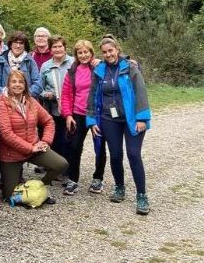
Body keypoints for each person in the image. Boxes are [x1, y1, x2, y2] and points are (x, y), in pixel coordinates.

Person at [87, 35, 151, 215]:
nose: (108, 55)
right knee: (115, 155)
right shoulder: (99, 71)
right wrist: (92, 121)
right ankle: (119, 187)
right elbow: (92, 97)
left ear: (117, 50)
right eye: (105, 52)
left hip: (131, 119)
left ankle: (141, 195)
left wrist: (142, 118)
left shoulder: (130, 68)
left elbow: (141, 93)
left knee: (133, 154)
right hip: (109, 119)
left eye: (111, 51)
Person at [0, 70, 68, 203]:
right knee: (9, 196)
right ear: (8, 84)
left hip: (34, 148)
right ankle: (18, 185)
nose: (17, 85)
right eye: (14, 81)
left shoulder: (31, 101)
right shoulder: (2, 104)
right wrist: (30, 148)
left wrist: (45, 141)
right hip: (12, 154)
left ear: (25, 85)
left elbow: (49, 121)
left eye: (21, 82)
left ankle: (37, 187)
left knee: (61, 164)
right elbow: (6, 134)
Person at [60, 39, 107, 196]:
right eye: (80, 52)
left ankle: (98, 178)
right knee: (74, 147)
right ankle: (73, 180)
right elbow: (66, 95)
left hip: (97, 114)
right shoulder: (72, 71)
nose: (83, 55)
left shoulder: (99, 68)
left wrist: (100, 64)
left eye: (86, 52)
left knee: (99, 147)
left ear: (92, 53)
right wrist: (67, 115)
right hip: (77, 114)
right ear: (76, 55)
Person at [39, 35, 73, 161]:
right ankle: (58, 167)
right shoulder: (45, 66)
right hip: (54, 108)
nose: (58, 49)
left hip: (71, 108)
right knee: (57, 139)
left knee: (70, 139)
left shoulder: (73, 62)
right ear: (50, 49)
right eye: (54, 47)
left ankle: (69, 168)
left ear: (65, 48)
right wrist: (45, 94)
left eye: (60, 46)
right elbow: (39, 88)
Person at [0, 32, 43, 101]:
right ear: (10, 44)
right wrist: (7, 95)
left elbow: (38, 84)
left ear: (25, 46)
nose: (18, 46)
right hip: (5, 101)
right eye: (15, 42)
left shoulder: (30, 61)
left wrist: (24, 96)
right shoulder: (1, 60)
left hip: (27, 102)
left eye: (21, 43)